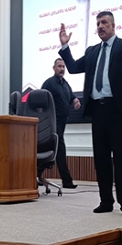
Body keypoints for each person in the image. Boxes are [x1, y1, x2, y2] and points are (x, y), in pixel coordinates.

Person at [58, 3, 122, 217]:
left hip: (118, 110)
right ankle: (106, 200)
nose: (100, 26)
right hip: (97, 111)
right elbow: (73, 67)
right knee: (101, 159)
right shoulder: (92, 51)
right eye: (98, 23)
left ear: (113, 26)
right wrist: (65, 46)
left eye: (104, 22)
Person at [39, 58, 81, 189]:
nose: (62, 69)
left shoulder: (65, 84)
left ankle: (35, 174)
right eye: (59, 66)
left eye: (63, 66)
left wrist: (75, 101)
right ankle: (67, 181)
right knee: (60, 148)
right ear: (54, 68)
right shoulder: (49, 83)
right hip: (52, 122)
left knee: (54, 149)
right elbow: (40, 100)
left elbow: (72, 96)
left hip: (63, 122)